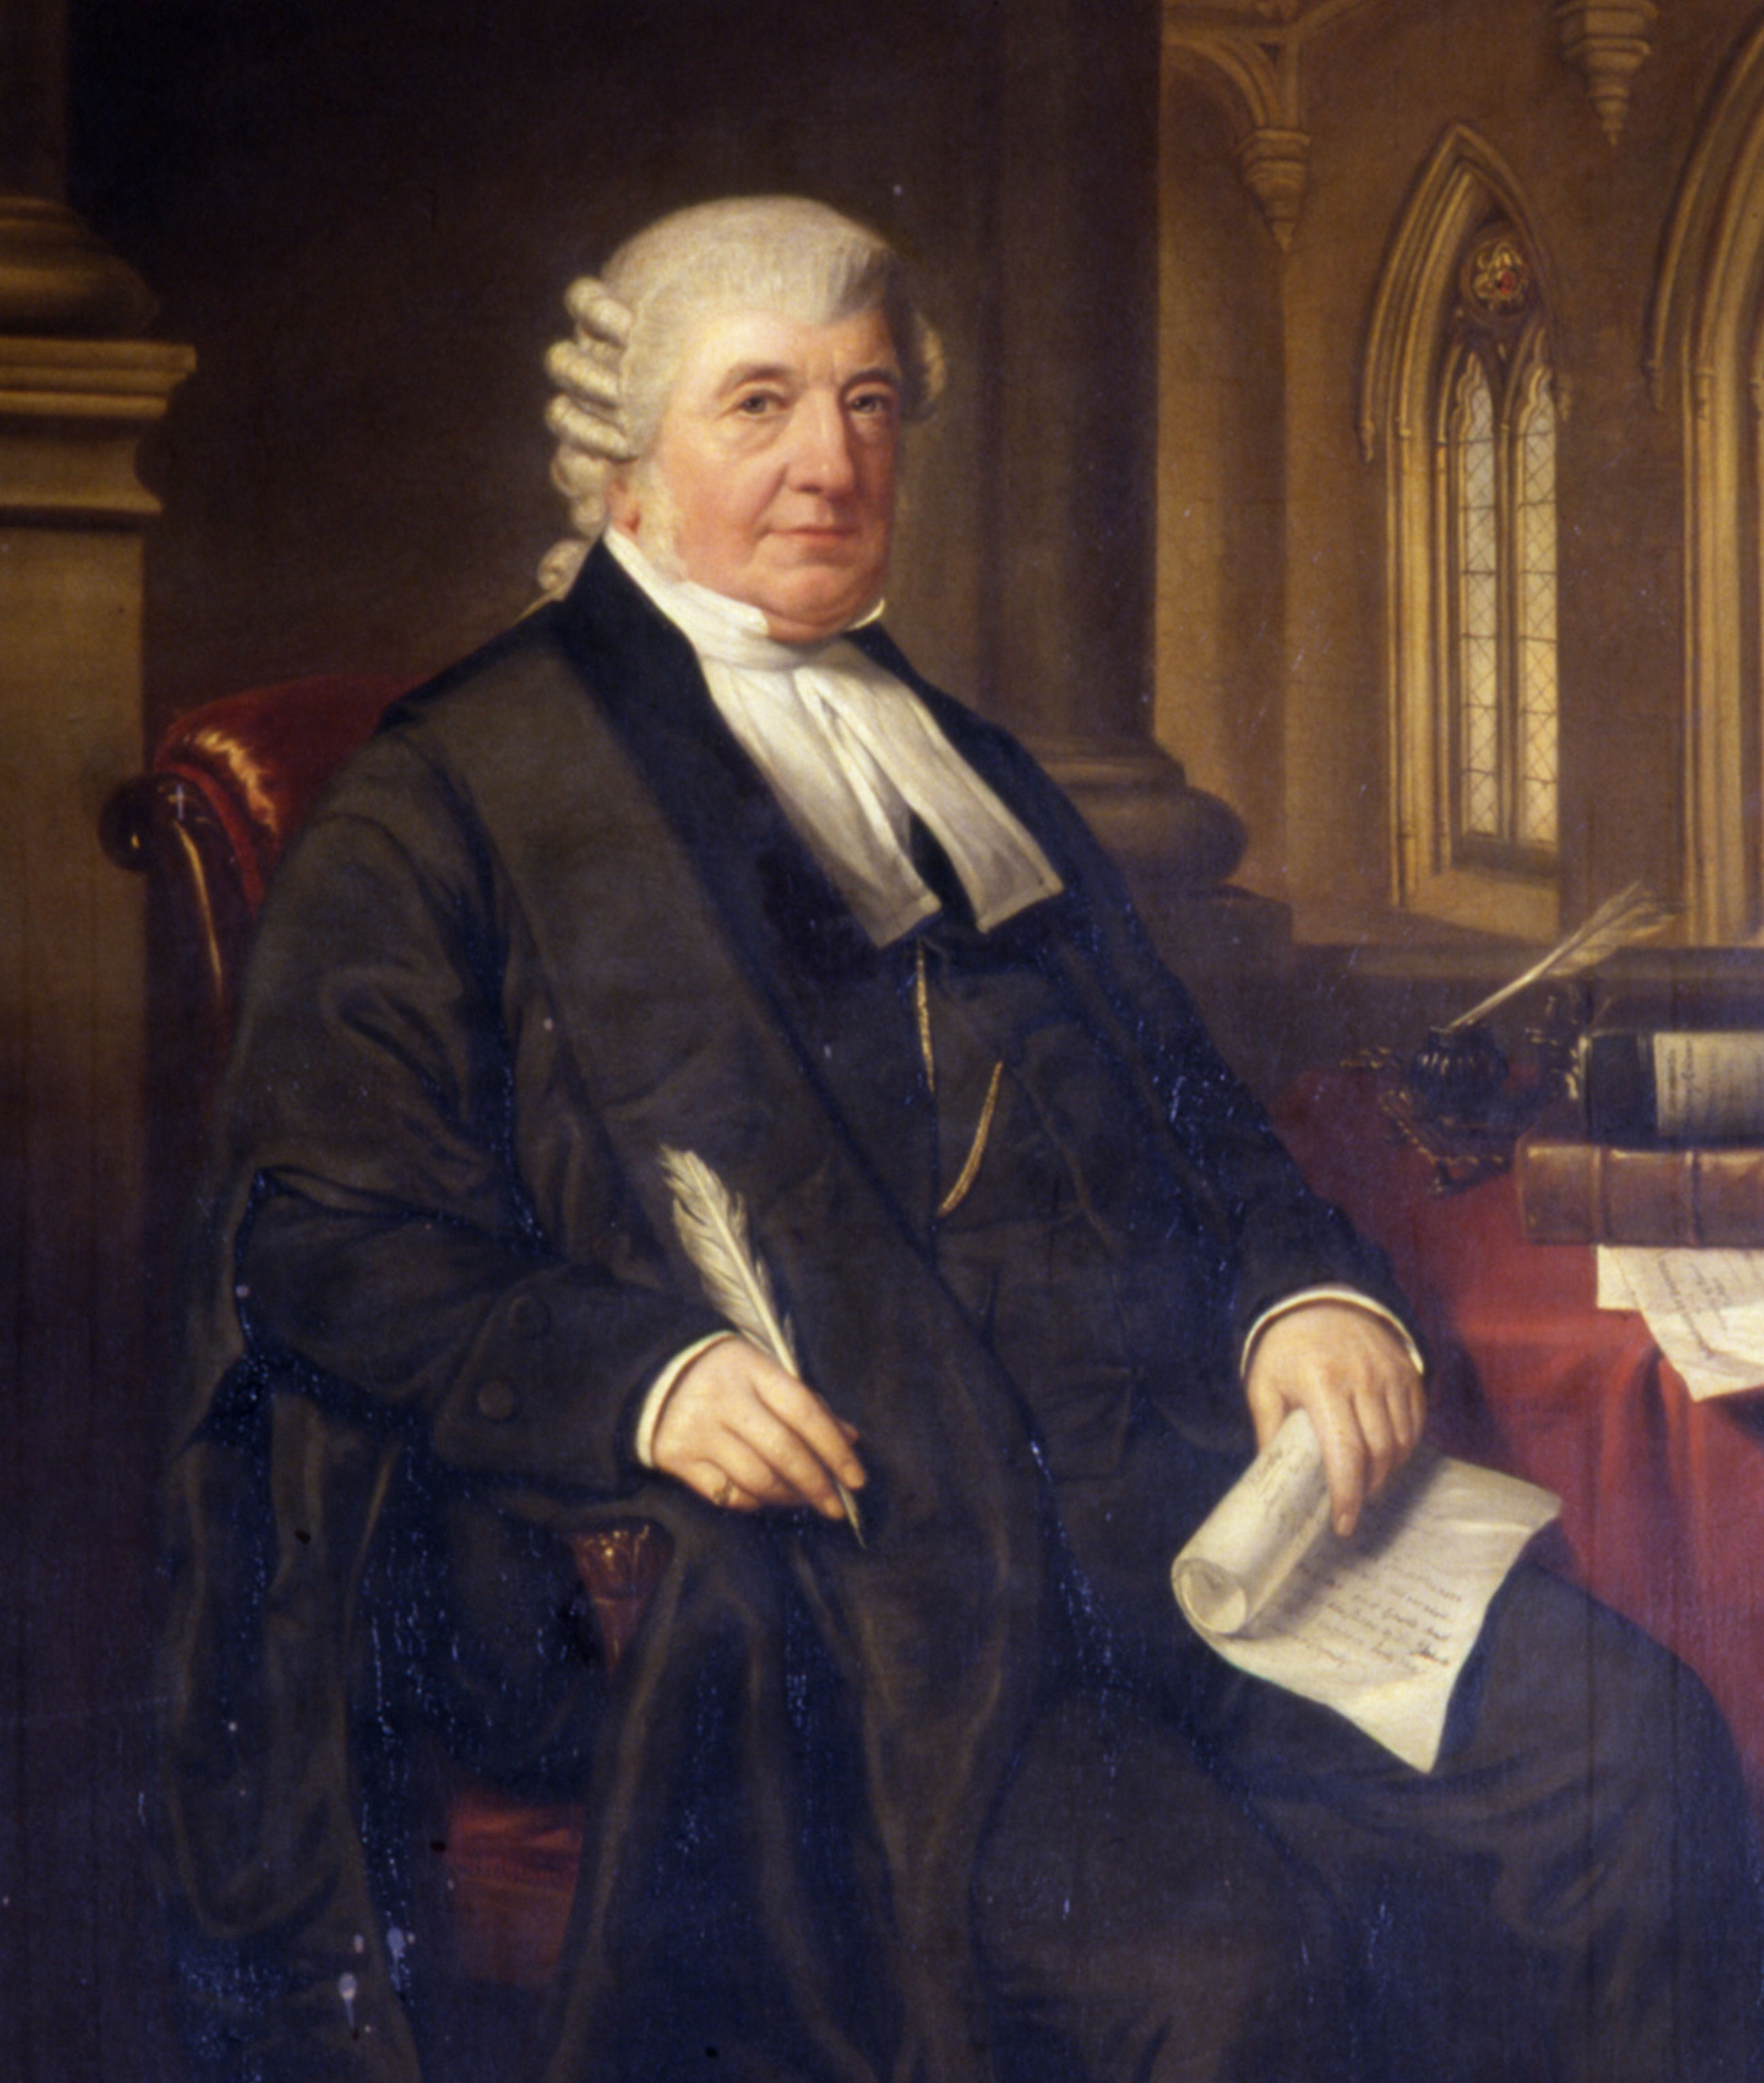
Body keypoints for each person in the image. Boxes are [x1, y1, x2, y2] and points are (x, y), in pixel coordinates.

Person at [154, 196, 1763, 2083]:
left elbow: (1198, 1115)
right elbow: (315, 1244)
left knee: (1641, 1771)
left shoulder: (959, 757)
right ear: (622, 464)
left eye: (866, 402)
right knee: (1228, 1981)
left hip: (1202, 1533)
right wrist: (643, 1374)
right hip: (868, 1613)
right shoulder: (453, 798)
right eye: (758, 404)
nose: (830, 461)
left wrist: (1304, 1298)